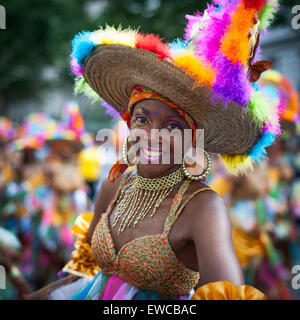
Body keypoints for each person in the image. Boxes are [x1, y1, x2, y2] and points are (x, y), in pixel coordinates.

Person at [27, 0, 281, 300]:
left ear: (193, 140)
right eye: (143, 119)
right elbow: (86, 267)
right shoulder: (115, 183)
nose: (152, 136)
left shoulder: (202, 206)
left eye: (173, 127)